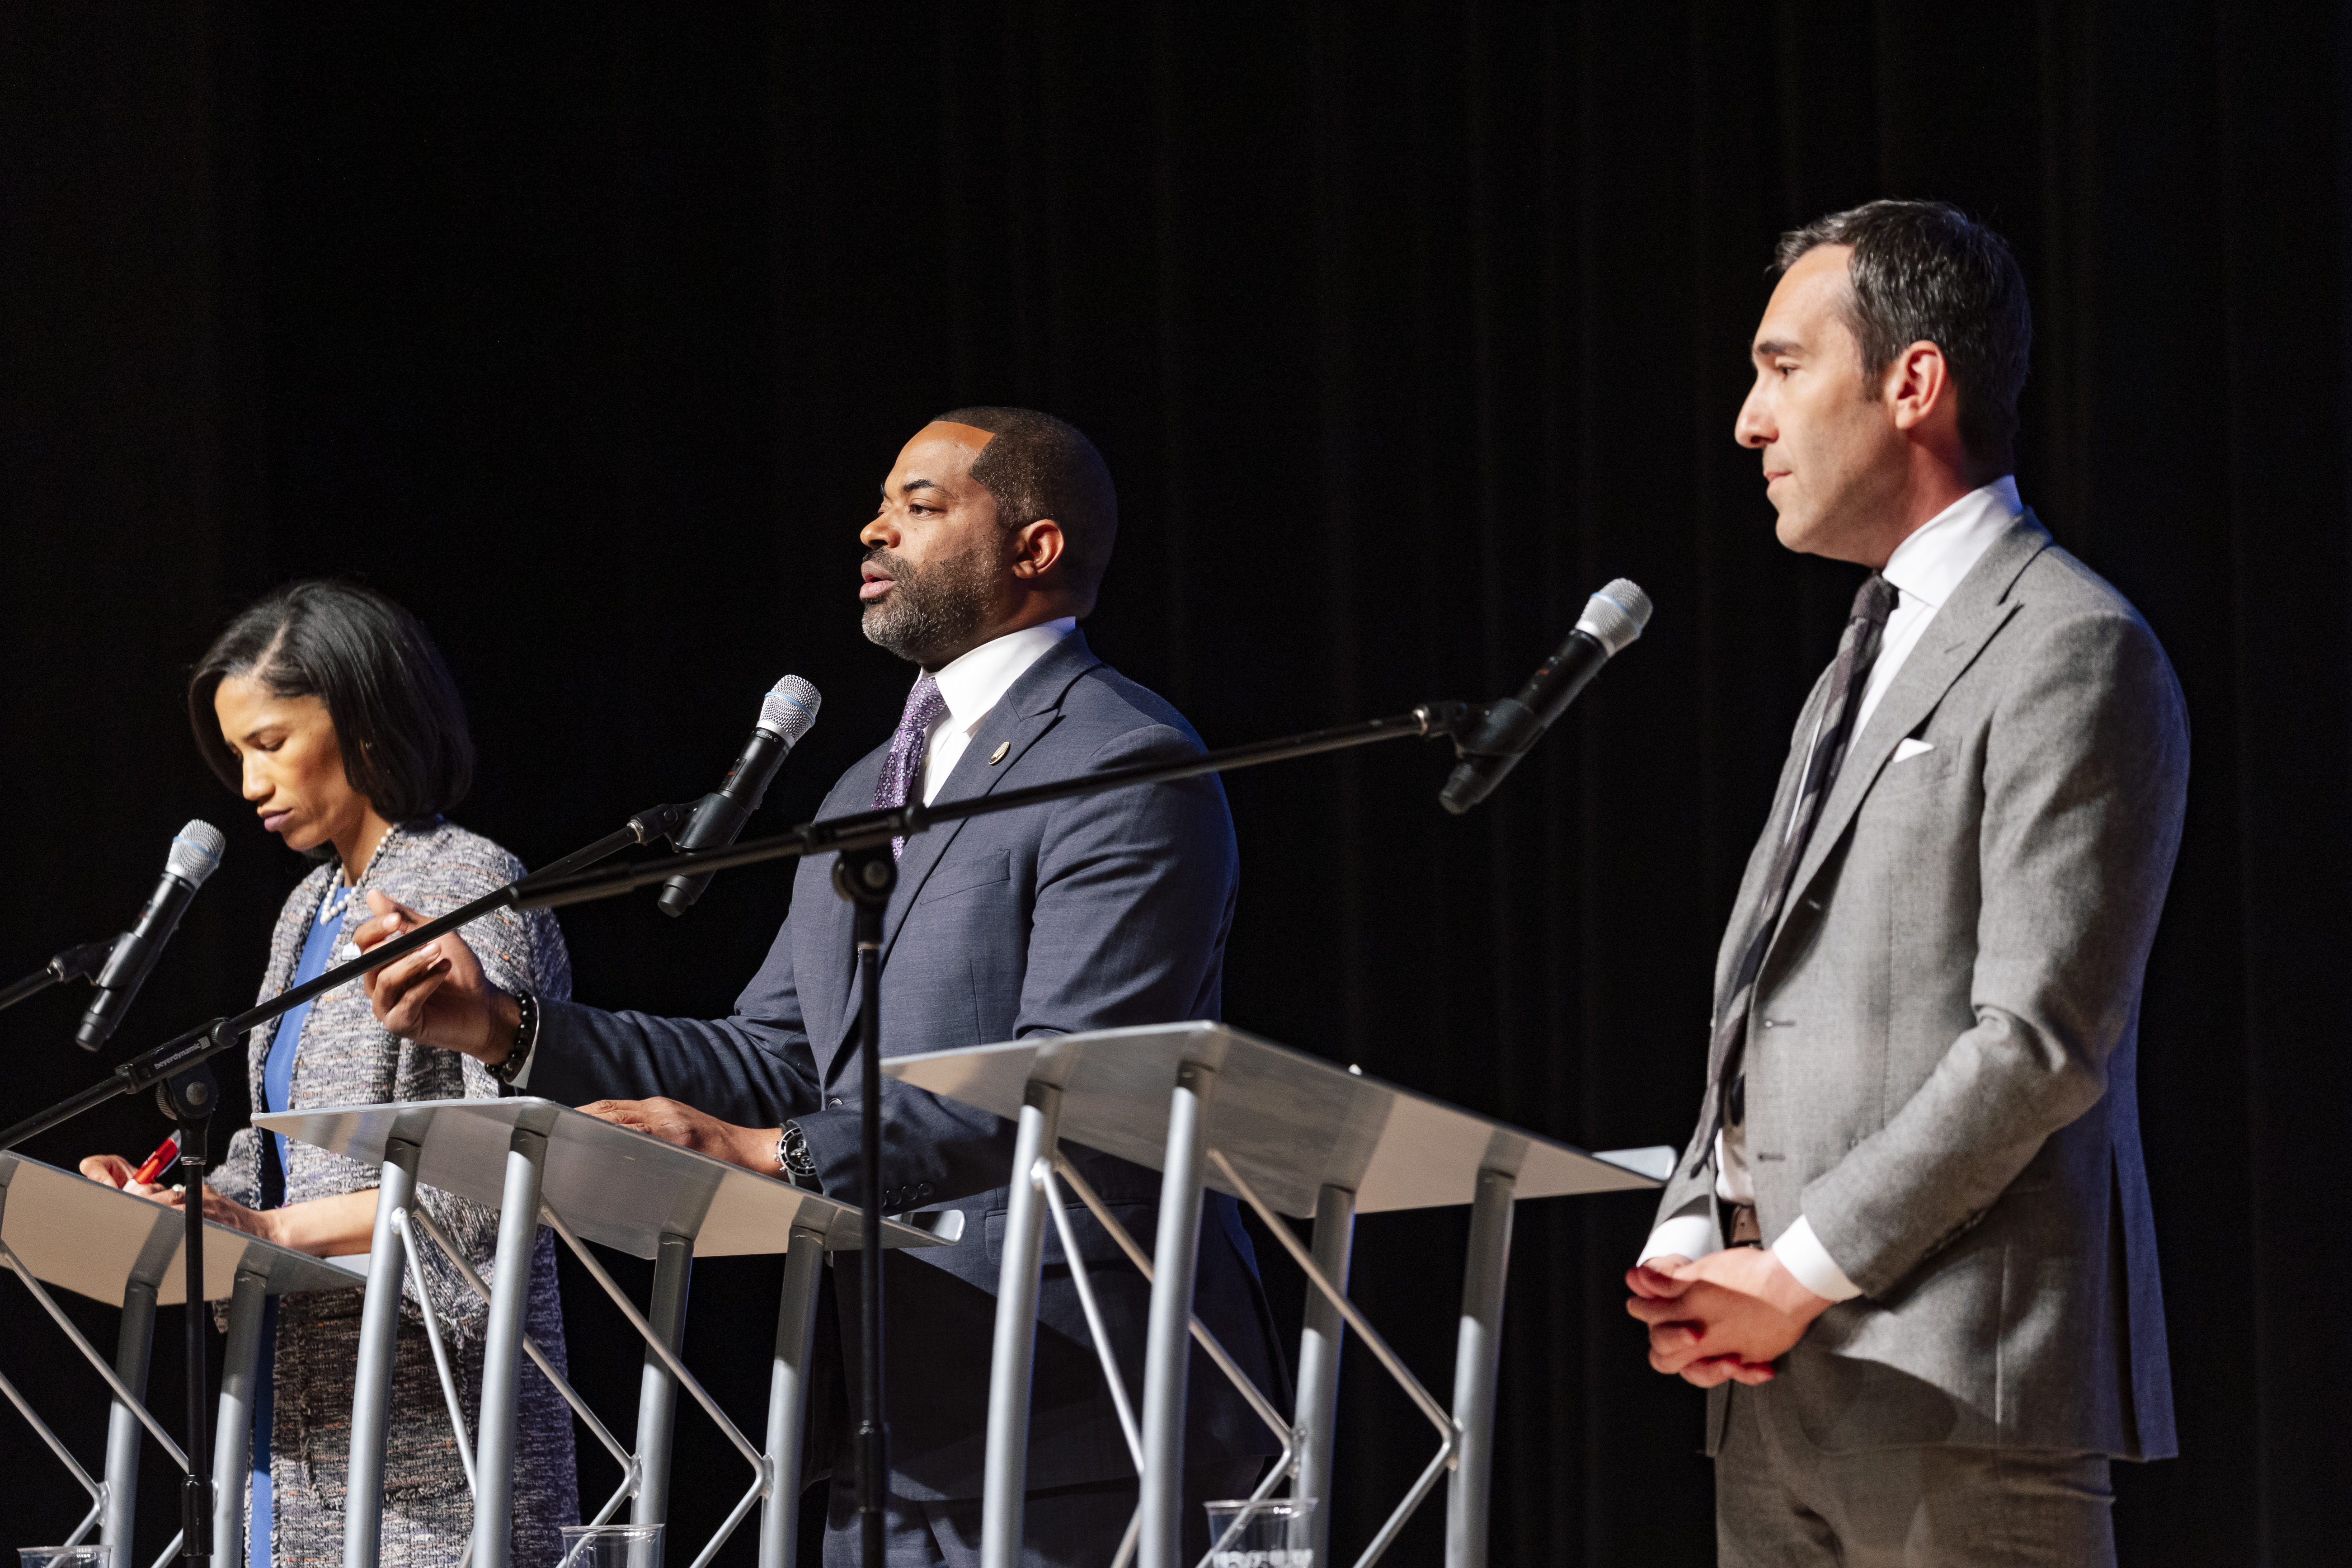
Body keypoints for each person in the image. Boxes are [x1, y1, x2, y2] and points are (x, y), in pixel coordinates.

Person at [357, 409, 1287, 1567]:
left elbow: (1074, 1077)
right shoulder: (861, 788)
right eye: (883, 502)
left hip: (1086, 1405)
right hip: (881, 1415)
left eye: (920, 504)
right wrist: (500, 1024)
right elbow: (777, 1060)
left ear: (1034, 548)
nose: (874, 527)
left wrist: (776, 1156)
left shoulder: (1125, 760)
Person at [1622, 202, 2187, 1565]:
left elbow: (2040, 1042)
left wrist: (1797, 1267)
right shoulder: (1855, 657)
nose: (1750, 422)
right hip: (1776, 1390)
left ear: (1911, 382)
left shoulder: (2068, 644)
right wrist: (1702, 1223)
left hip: (1957, 1381)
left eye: (1781, 367)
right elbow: (1770, 983)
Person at [82, 581, 579, 1565]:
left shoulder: (466, 883)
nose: (248, 781)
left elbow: (493, 1188)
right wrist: (171, 1201)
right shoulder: (308, 908)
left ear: (360, 716)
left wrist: (266, 1232)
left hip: (433, 1448)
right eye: (235, 755)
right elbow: (280, 1167)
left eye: (269, 742)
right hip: (294, 1418)